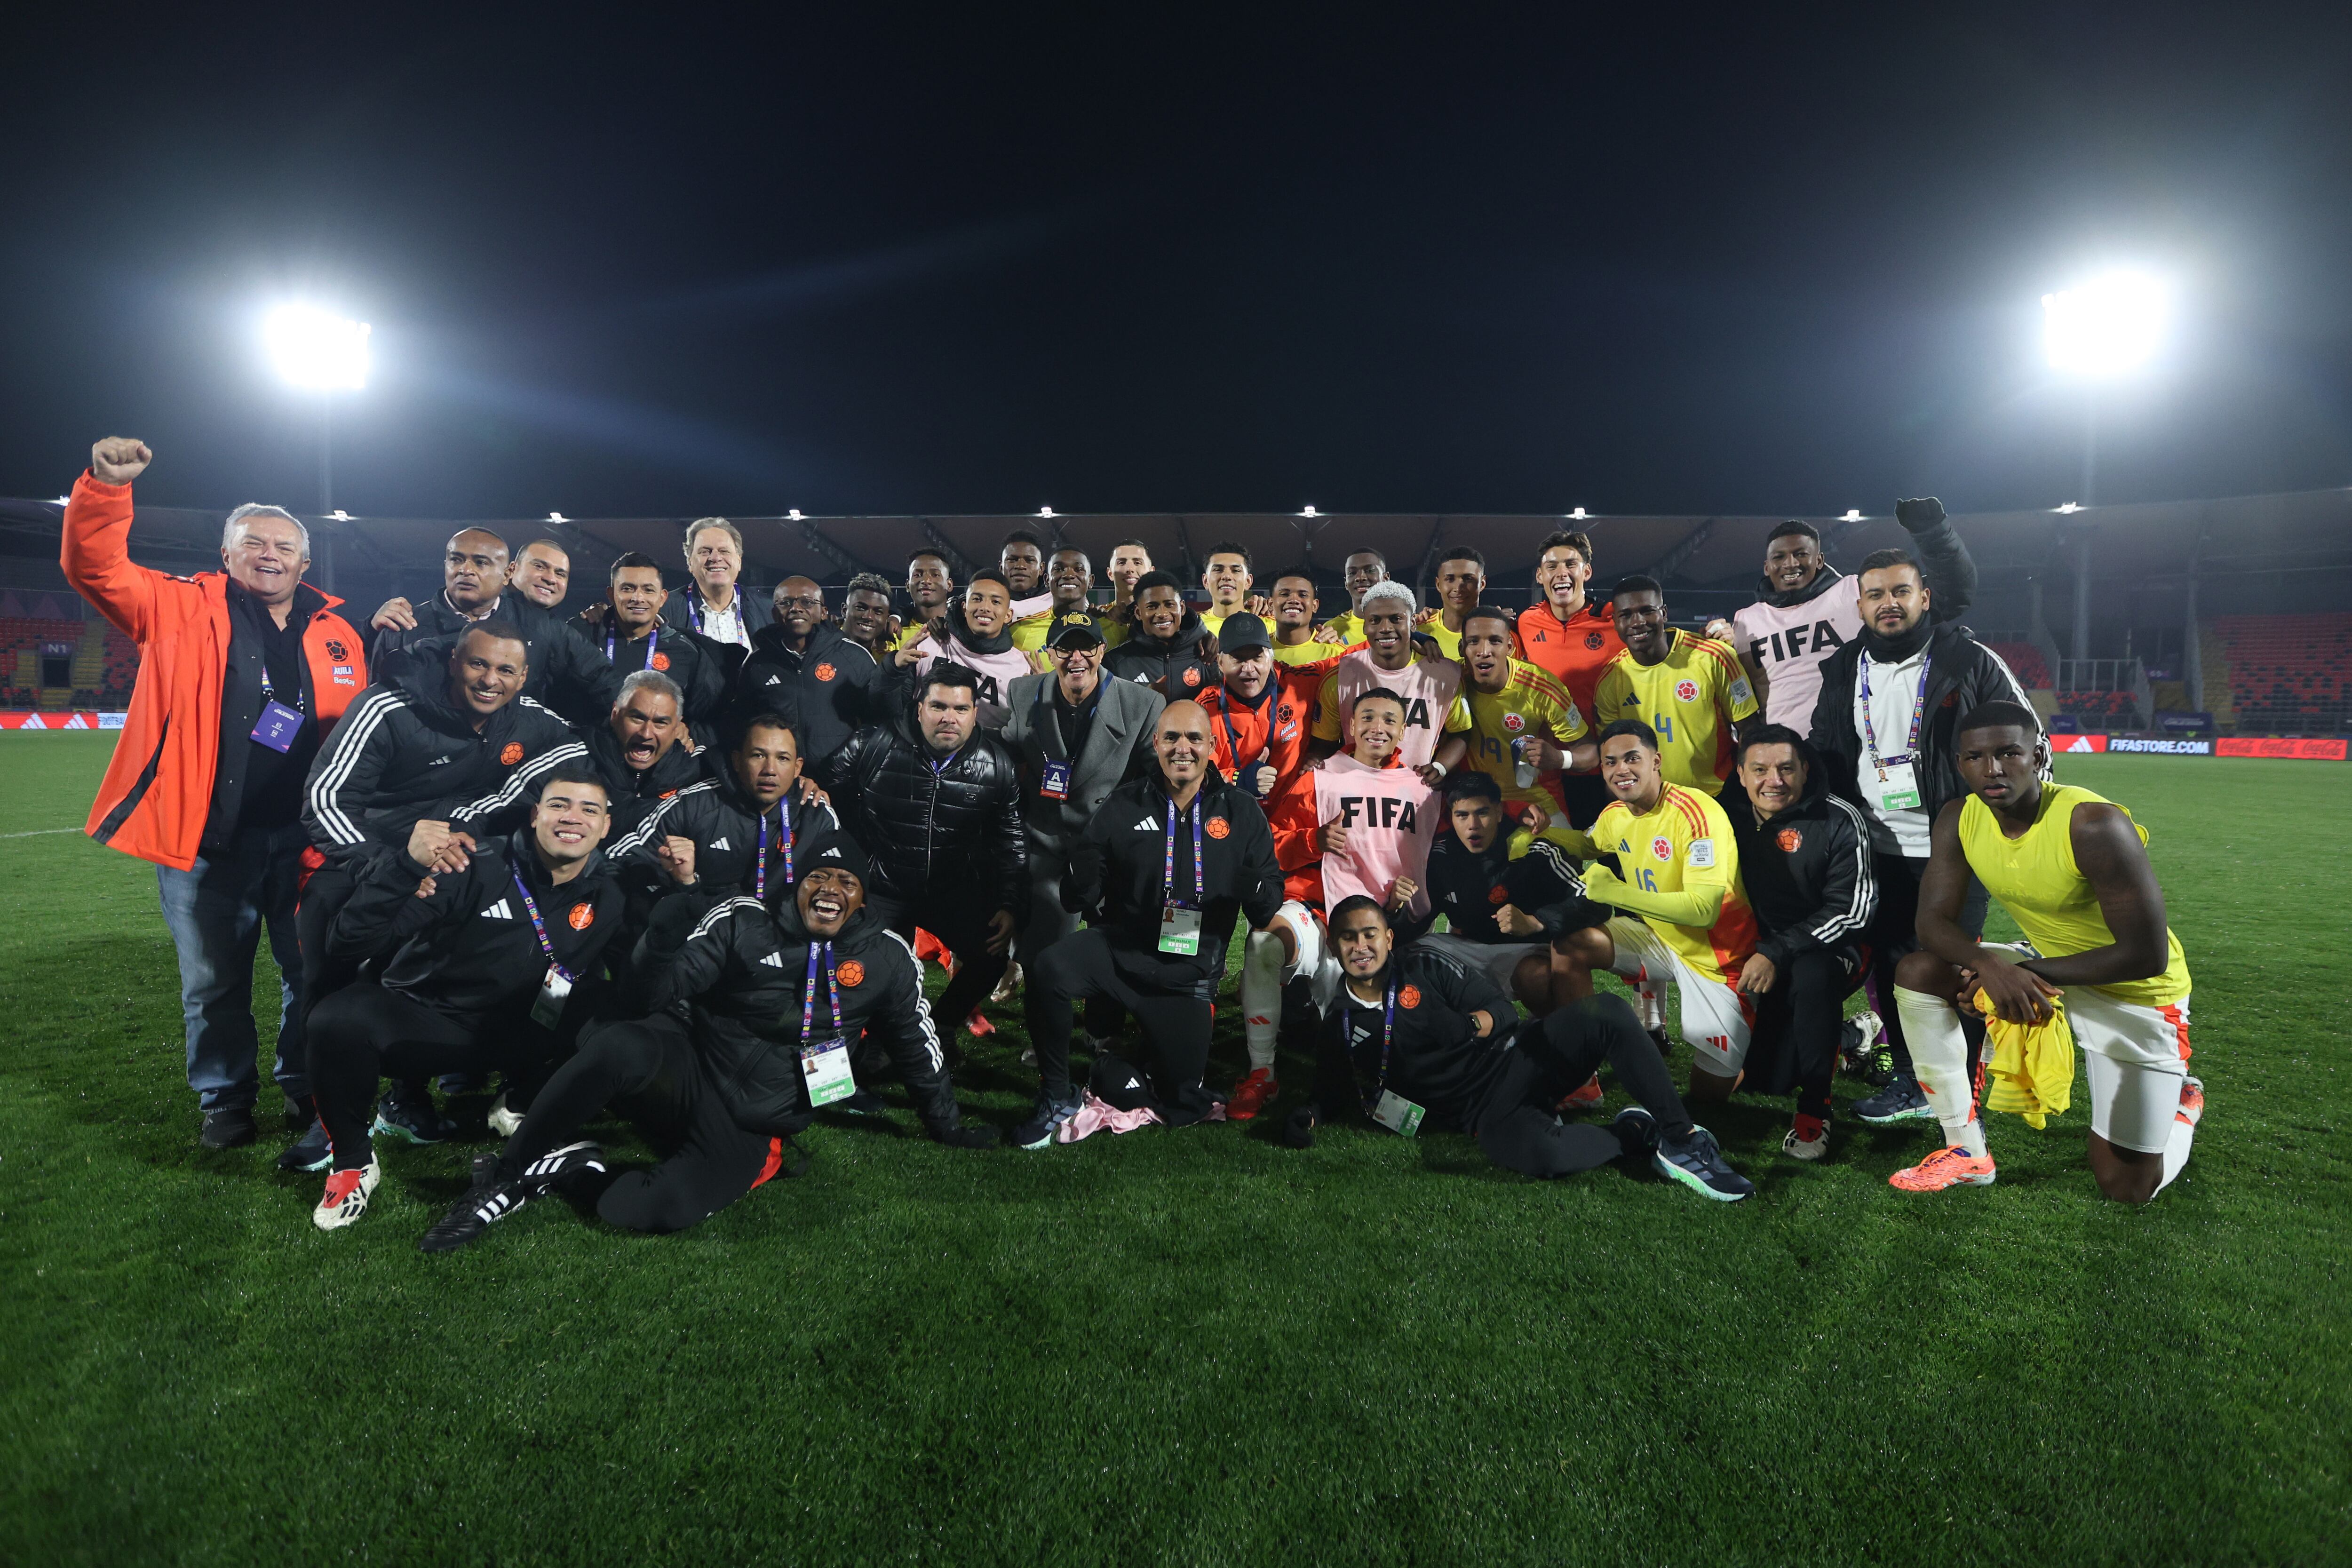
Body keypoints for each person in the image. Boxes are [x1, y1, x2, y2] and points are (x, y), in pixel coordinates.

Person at [417, 829, 993, 1250]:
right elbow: (654, 996)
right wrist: (658, 947)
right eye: (818, 876)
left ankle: (572, 1168)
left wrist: (948, 1126)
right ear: (797, 884)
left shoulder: (888, 957)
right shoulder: (745, 918)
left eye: (846, 882)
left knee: (643, 1208)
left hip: (753, 1122)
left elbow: (917, 1045)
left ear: (862, 899)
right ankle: (504, 1176)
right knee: (619, 1043)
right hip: (687, 1073)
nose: (830, 888)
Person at [61, 437, 369, 1150]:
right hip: (206, 840)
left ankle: (304, 1087)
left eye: (284, 546)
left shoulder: (338, 634)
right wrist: (106, 489)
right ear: (226, 555)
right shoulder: (175, 606)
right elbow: (93, 565)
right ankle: (225, 1100)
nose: (270, 555)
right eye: (253, 543)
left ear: (304, 562)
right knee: (214, 984)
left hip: (307, 844)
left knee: (311, 973)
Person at [295, 622, 589, 1157]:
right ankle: (330, 1121)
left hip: (455, 859)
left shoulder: (531, 722)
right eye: (479, 665)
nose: (490, 681)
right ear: (454, 662)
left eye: (505, 671)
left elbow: (578, 754)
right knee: (332, 975)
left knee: (443, 970)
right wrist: (395, 865)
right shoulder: (387, 707)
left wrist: (467, 822)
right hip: (361, 858)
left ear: (523, 678)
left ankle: (408, 1097)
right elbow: (326, 801)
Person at [1887, 702, 2201, 1202]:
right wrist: (1991, 966)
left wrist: (2023, 972)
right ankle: (1965, 1151)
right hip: (2048, 966)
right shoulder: (1959, 817)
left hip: (2132, 989)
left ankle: (2183, 1106)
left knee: (2126, 1186)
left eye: (2008, 753)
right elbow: (1931, 923)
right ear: (1959, 763)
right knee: (1918, 970)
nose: (1992, 770)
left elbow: (2146, 954)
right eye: (1976, 757)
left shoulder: (2092, 824)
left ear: (2038, 756)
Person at [307, 765, 627, 1229]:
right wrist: (404, 868)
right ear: (535, 815)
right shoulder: (469, 865)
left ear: (605, 826)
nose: (572, 817)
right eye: (559, 805)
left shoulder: (609, 895)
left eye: (588, 809)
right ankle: (354, 1163)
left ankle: (518, 1102)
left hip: (520, 1031)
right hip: (431, 1026)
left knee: (619, 1009)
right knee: (337, 1019)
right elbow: (349, 944)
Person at [1281, 898, 1753, 1200]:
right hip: (1483, 1114)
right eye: (1348, 937)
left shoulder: (1425, 966)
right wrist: (1311, 1115)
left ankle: (1682, 1138)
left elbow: (1501, 1013)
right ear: (1334, 944)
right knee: (1545, 1159)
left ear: (1388, 938)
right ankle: (1635, 1133)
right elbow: (1330, 1090)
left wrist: (1467, 1027)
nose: (1361, 947)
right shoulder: (1339, 1021)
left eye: (1370, 935)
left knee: (1606, 1010)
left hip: (1517, 1057)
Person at [1807, 548, 2038, 1125]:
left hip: (1950, 847)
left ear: (1923, 597)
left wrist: (2010, 828)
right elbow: (1827, 749)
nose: (1888, 604)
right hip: (1872, 847)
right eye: (1876, 594)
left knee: (1944, 969)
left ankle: (1960, 1088)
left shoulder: (1966, 659)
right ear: (1859, 604)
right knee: (1891, 970)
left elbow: (2029, 743)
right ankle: (1911, 1081)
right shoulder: (1841, 668)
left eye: (1900, 592)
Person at [1014, 699, 1283, 1146]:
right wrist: (1080, 879)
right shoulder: (1123, 804)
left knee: (1179, 1091)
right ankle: (1056, 1094)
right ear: (1156, 743)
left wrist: (1254, 888)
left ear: (1212, 746)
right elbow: (1080, 891)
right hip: (1122, 953)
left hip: (1186, 975)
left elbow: (1266, 906)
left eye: (1195, 738)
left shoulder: (1241, 812)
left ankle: (1120, 1060)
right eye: (1172, 737)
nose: (1183, 748)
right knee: (1050, 968)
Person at [819, 666, 1026, 1054]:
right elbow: (818, 792)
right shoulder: (873, 743)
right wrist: (841, 872)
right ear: (919, 708)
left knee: (991, 956)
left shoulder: (997, 766)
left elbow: (1011, 842)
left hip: (951, 890)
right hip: (882, 886)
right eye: (938, 706)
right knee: (850, 972)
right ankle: (854, 1052)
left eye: (961, 708)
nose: (950, 717)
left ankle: (942, 1024)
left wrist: (1009, 904)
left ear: (975, 713)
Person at [1550, 720, 1760, 1100]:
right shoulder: (1617, 812)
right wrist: (1542, 832)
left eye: (1632, 758)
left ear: (1656, 761)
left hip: (1719, 960)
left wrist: (1617, 891)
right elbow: (1587, 844)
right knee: (1569, 945)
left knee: (1706, 1099)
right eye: (1610, 762)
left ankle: (1755, 1051)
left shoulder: (1698, 813)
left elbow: (1703, 910)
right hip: (1659, 940)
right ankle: (1582, 1076)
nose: (1621, 770)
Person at [1196, 613, 1339, 1117]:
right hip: (1225, 848)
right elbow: (1186, 783)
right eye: (1236, 657)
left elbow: (1363, 659)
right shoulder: (1204, 710)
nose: (1248, 667)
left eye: (1256, 655)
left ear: (1272, 656)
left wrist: (1421, 637)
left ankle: (1324, 1053)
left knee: (1274, 947)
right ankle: (1194, 1051)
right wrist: (1231, 785)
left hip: (1287, 854)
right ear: (1220, 661)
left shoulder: (1302, 683)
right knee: (1201, 952)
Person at [1717, 725, 1880, 1157]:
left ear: (1806, 771)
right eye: (1760, 769)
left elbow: (1853, 911)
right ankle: (1852, 1035)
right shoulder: (1722, 816)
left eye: (1787, 768)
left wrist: (1778, 951)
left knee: (1812, 975)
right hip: (1755, 953)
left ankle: (1816, 1111)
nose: (1775, 780)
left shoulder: (1839, 818)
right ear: (1740, 773)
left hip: (1831, 949)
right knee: (1767, 1080)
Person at [1001, 612, 1166, 1015]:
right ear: (1050, 653)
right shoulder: (1024, 693)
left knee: (1114, 945)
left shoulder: (1143, 702)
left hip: (1109, 848)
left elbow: (1155, 781)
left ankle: (1103, 1034)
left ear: (1102, 650)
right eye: (1065, 648)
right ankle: (1045, 1037)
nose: (1077, 657)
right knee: (1045, 953)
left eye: (1086, 647)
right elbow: (1005, 755)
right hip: (1047, 844)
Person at [1722, 502, 1978, 730]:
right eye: (1779, 557)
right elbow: (1735, 694)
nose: (1791, 564)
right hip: (1784, 760)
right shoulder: (1745, 622)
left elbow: (1948, 598)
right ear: (1767, 567)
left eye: (1801, 554)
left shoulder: (1853, 592)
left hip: (1858, 745)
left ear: (1819, 560)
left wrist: (1935, 536)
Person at [366, 527, 622, 726]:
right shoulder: (403, 624)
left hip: (508, 767)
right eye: (456, 560)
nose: (466, 570)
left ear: (507, 573)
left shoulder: (542, 627)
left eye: (480, 563)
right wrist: (369, 627)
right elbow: (377, 709)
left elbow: (604, 680)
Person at [1416, 771, 1589, 1016]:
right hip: (1470, 951)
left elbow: (1591, 899)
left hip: (1524, 953)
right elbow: (1423, 916)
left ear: (1499, 813)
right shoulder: (1440, 856)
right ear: (1451, 818)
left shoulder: (1533, 848)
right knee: (1412, 956)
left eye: (1482, 813)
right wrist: (1396, 914)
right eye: (1462, 815)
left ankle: (1550, 1029)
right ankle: (1458, 1033)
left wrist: (1537, 921)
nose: (1473, 825)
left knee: (1535, 976)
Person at [1592, 575, 1757, 797]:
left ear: (1664, 613)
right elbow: (1612, 755)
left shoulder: (1714, 657)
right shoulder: (1610, 680)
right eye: (1626, 615)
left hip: (1718, 795)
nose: (1637, 621)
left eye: (1647, 611)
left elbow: (1751, 729)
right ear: (1615, 622)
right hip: (1651, 803)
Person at [1515, 530, 1624, 828]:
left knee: (1611, 857)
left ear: (1586, 572)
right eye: (1552, 567)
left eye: (1571, 565)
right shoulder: (1526, 622)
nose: (1561, 573)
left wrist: (1719, 631)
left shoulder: (1615, 619)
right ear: (1540, 576)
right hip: (1550, 770)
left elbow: (1657, 636)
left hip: (1609, 766)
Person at [1309, 580, 1471, 779]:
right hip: (1356, 791)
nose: (1385, 628)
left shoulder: (1445, 676)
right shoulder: (1340, 677)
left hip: (1418, 795)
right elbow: (1323, 744)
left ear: (1412, 624)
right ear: (1365, 626)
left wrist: (1441, 767)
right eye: (1375, 620)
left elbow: (1461, 732)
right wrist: (1316, 764)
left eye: (1396, 619)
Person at [1315, 687, 1444, 934]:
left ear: (1403, 731)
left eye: (1389, 721)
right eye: (1367, 718)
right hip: (1335, 915)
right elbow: (1279, 839)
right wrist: (1313, 840)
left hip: (1409, 920)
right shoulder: (1320, 778)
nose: (1377, 728)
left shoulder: (1424, 788)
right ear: (1352, 726)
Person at [1455, 603, 1595, 831]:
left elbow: (1590, 752)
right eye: (1473, 642)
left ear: (1510, 646)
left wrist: (1560, 759)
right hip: (1476, 799)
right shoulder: (1451, 680)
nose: (1484, 651)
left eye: (1495, 641)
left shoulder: (1542, 687)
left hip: (1537, 800)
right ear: (1462, 648)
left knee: (1568, 860)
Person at [732, 574, 886, 764]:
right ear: (774, 614)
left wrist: (846, 766)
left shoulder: (856, 658)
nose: (796, 608)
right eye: (786, 603)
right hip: (779, 781)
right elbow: (743, 726)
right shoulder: (756, 664)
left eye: (807, 602)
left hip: (840, 782)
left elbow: (877, 724)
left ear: (823, 612)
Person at [587, 551, 725, 728]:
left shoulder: (687, 652)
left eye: (648, 590)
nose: (638, 598)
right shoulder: (584, 636)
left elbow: (704, 719)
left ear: (662, 598)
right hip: (591, 750)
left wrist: (688, 732)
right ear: (611, 594)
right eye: (627, 588)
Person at [896, 568, 1034, 726]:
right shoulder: (929, 644)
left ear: (1008, 615)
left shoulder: (1022, 668)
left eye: (995, 602)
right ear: (964, 607)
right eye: (977, 599)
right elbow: (894, 710)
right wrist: (893, 667)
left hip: (994, 749)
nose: (985, 608)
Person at [578, 669, 702, 839]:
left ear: (677, 728)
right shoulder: (573, 758)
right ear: (615, 715)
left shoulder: (697, 770)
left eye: (660, 723)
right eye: (637, 719)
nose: (646, 734)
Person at [659, 517, 770, 665]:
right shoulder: (664, 610)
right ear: (690, 563)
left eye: (724, 551)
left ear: (739, 562)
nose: (716, 558)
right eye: (705, 552)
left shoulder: (768, 610)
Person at [1104, 570, 1220, 698]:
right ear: (1138, 613)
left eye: (1169, 605)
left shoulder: (1210, 655)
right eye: (1152, 607)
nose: (1162, 614)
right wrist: (1145, 702)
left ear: (1182, 608)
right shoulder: (1115, 663)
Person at [1010, 547, 1095, 653]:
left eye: (1078, 569)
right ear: (1047, 581)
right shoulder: (1020, 631)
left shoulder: (1111, 624)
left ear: (1091, 581)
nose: (1068, 575)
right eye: (1058, 569)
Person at [1421, 547, 1492, 662]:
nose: (1459, 588)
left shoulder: (1500, 633)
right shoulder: (1420, 632)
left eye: (1468, 579)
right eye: (1450, 579)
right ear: (1438, 585)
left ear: (1482, 584)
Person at [1315, 549, 1391, 646]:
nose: (1360, 577)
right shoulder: (1332, 629)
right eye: (1352, 573)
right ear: (1346, 583)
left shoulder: (1406, 624)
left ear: (1386, 579)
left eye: (1370, 571)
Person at [1264, 568, 1339, 666]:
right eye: (1285, 594)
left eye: (1303, 595)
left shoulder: (1337, 654)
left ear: (1315, 606)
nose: (1294, 600)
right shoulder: (1257, 651)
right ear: (1271, 604)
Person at [895, 548, 958, 651]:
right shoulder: (895, 631)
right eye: (918, 575)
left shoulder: (964, 629)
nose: (926, 580)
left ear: (949, 585)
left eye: (935, 575)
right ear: (907, 586)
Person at [835, 573, 897, 661]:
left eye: (878, 612)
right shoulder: (823, 648)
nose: (869, 617)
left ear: (886, 619)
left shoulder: (887, 660)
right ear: (844, 611)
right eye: (861, 608)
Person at [1100, 538, 1151, 644]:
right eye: (1122, 563)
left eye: (1137, 563)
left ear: (1151, 572)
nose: (1130, 569)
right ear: (1110, 574)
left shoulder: (1166, 620)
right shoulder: (1099, 620)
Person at [1198, 541, 1254, 635]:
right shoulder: (1192, 625)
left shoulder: (1270, 623)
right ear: (1206, 581)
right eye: (1218, 570)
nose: (1227, 576)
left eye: (1236, 571)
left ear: (1248, 582)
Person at [509, 538, 573, 612]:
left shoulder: (558, 623)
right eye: (540, 567)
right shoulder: (493, 610)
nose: (551, 579)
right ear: (512, 570)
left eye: (560, 574)